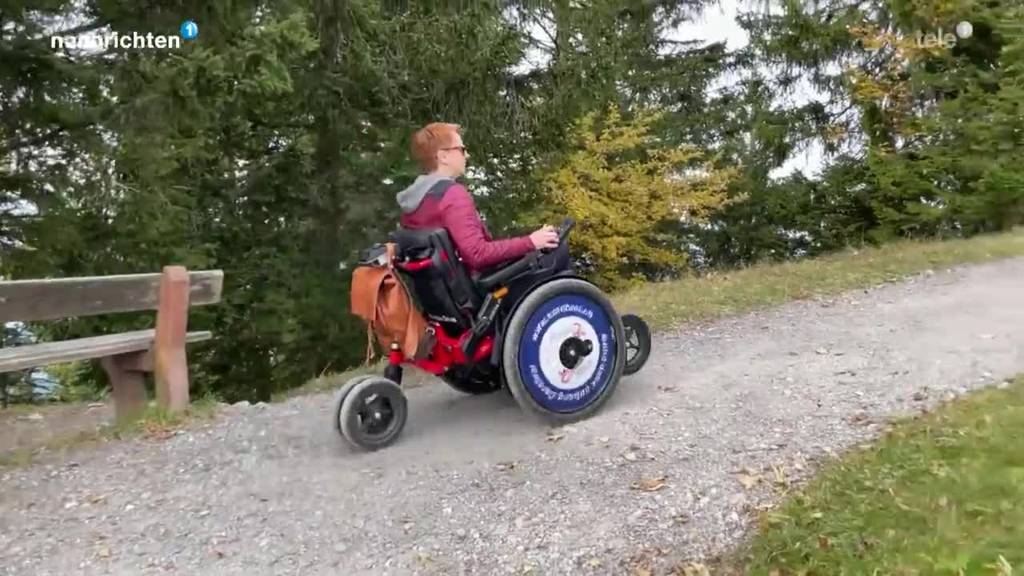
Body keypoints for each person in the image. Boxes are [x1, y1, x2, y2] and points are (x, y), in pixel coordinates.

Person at [397, 122, 567, 279]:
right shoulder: (452, 195)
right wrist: (531, 242)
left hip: (447, 294)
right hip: (482, 290)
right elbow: (477, 254)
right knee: (558, 252)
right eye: (461, 149)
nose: (467, 155)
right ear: (443, 156)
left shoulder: (416, 200)